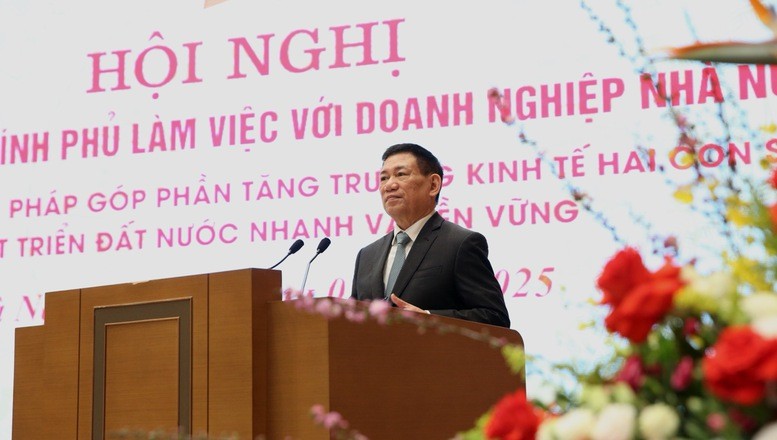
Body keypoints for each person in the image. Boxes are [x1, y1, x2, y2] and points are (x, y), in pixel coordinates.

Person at [351, 143, 510, 328]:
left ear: (433, 185)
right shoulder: (367, 255)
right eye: (384, 178)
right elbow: (351, 320)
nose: (389, 185)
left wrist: (428, 318)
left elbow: (494, 317)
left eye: (401, 174)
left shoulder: (460, 244)